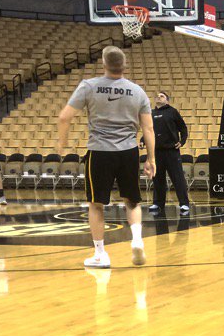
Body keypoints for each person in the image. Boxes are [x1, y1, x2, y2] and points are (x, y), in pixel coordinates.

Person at [57, 45, 156, 269]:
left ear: (103, 64)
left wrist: (61, 144)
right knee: (132, 200)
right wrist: (151, 159)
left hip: (100, 151)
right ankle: (137, 240)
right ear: (125, 65)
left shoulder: (89, 86)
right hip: (129, 151)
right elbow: (148, 129)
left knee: (96, 204)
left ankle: (101, 254)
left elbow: (65, 118)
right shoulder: (137, 91)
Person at [148, 91, 190, 214]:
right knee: (158, 179)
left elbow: (183, 128)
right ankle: (157, 203)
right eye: (157, 96)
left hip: (172, 151)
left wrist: (182, 141)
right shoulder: (151, 113)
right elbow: (149, 130)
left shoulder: (173, 112)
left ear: (167, 100)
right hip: (157, 152)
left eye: (161, 96)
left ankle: (184, 204)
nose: (158, 97)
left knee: (178, 179)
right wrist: (142, 141)